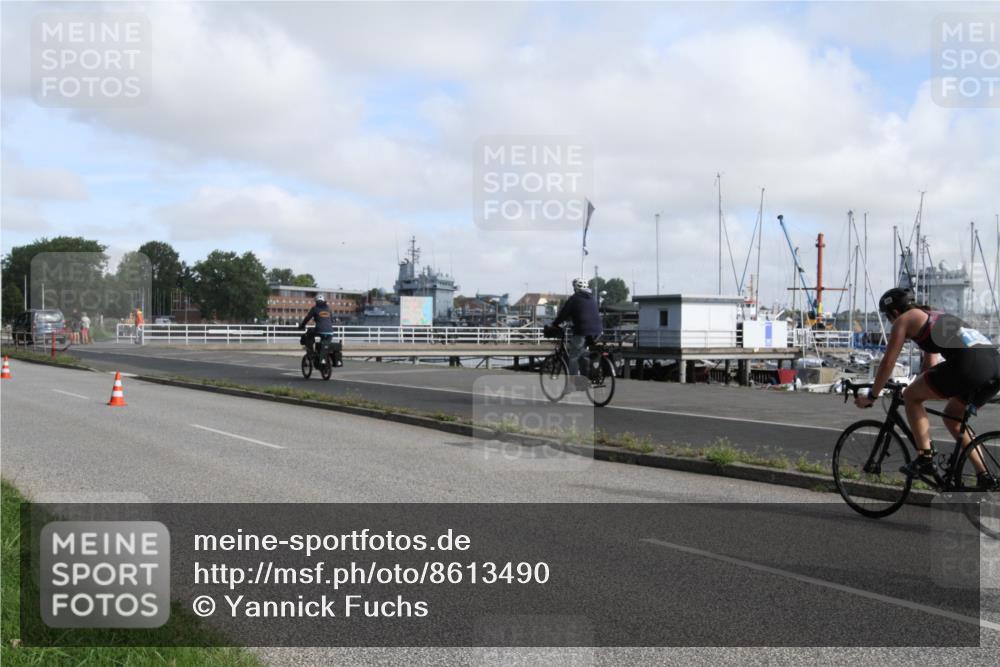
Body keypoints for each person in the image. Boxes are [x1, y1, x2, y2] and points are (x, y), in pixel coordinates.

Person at [855, 287, 1000, 487]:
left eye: (888, 318)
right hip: (994, 366)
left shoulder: (903, 320)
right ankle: (984, 476)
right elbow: (930, 368)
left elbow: (888, 362)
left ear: (895, 313)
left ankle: (925, 458)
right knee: (954, 419)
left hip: (970, 365)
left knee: (911, 396)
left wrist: (872, 395)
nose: (890, 323)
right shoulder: (931, 315)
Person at [549, 278, 603, 388]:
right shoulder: (592, 298)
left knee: (573, 357)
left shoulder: (574, 299)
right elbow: (584, 313)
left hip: (583, 330)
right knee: (582, 354)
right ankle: (585, 381)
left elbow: (563, 314)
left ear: (576, 288)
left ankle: (571, 384)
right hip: (597, 331)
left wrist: (555, 324)